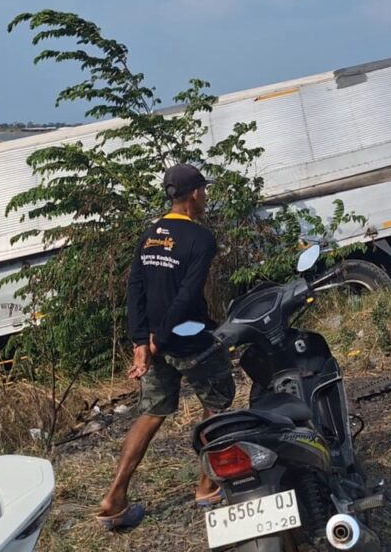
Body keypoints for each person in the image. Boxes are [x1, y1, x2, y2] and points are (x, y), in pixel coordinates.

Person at [97, 163, 236, 530]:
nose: (205, 196)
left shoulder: (151, 234)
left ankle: (115, 496)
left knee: (152, 412)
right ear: (193, 195)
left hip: (157, 344)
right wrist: (158, 337)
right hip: (188, 338)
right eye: (203, 191)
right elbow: (188, 295)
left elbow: (135, 290)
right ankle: (207, 486)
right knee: (218, 402)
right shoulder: (201, 239)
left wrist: (140, 340)